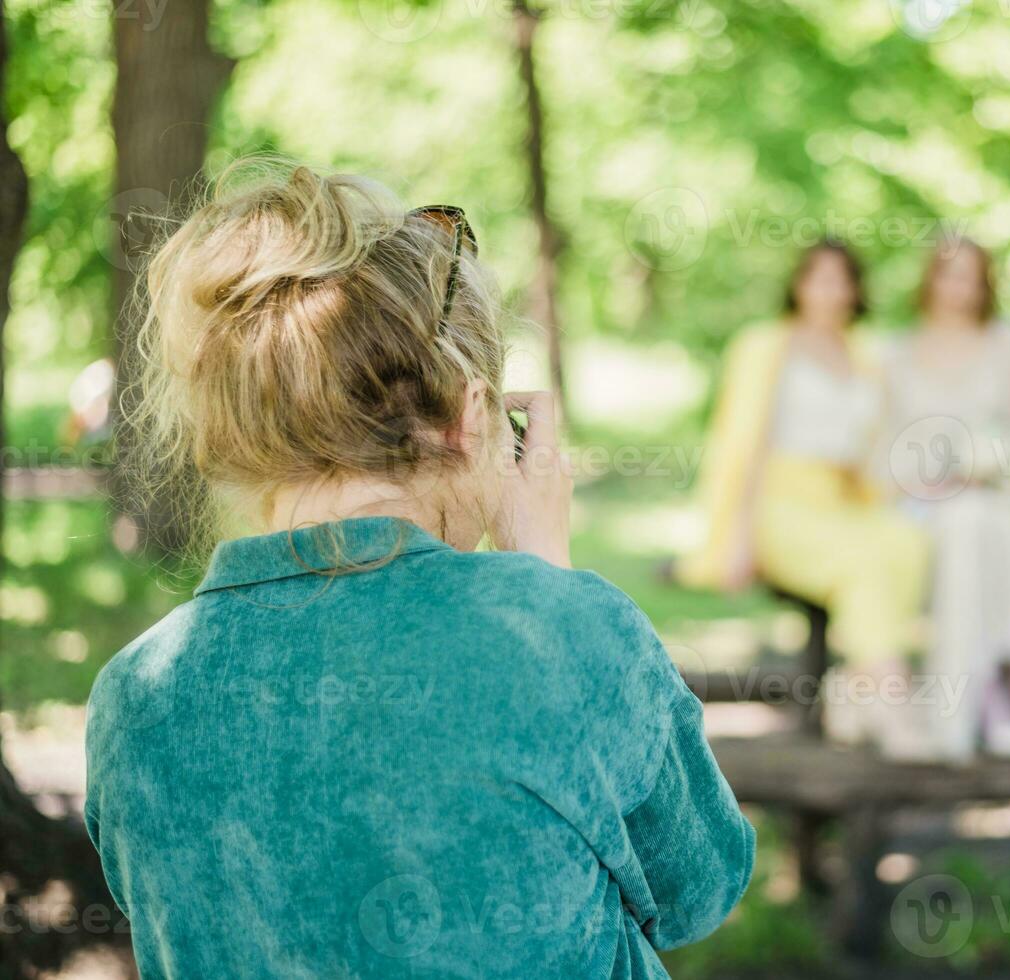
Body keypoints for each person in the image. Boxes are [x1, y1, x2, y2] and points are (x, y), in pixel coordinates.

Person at [85, 164, 754, 978]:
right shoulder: (566, 633)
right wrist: (548, 586)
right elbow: (698, 887)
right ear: (472, 420)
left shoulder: (134, 697)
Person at [675, 240, 930, 757]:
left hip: (843, 499)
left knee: (907, 543)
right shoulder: (767, 345)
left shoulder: (866, 354)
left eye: (841, 279)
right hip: (776, 501)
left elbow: (871, 445)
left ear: (855, 290)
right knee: (859, 563)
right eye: (818, 277)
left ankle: (853, 690)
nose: (829, 290)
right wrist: (737, 537)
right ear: (799, 284)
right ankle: (894, 703)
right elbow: (743, 442)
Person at [878, 239, 1010, 769]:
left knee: (1004, 525)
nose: (957, 288)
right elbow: (885, 446)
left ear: (983, 284)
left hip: (997, 494)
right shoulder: (896, 353)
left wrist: (987, 470)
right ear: (930, 280)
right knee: (966, 526)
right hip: (922, 501)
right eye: (948, 275)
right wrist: (931, 482)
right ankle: (986, 701)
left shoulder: (1009, 346)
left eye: (969, 277)